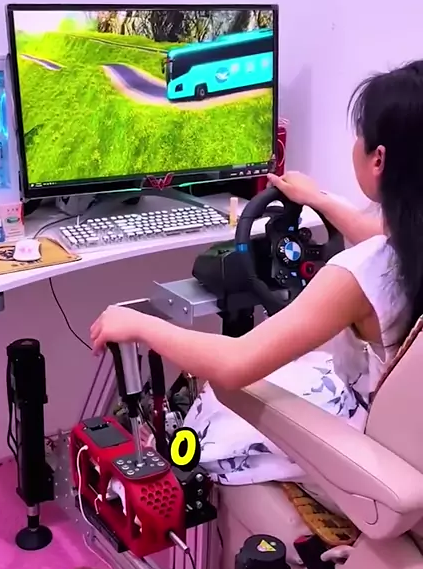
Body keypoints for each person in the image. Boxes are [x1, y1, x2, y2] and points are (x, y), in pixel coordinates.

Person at [91, 61, 423, 502]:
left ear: (377, 159)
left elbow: (235, 362)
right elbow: (378, 233)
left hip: (370, 450)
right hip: (407, 436)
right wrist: (318, 199)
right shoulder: (407, 244)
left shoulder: (359, 274)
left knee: (210, 411)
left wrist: (137, 324)